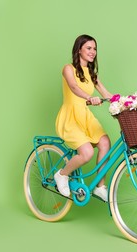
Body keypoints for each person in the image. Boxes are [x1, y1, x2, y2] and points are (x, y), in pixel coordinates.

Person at [54, 34, 113, 202]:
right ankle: (62, 174)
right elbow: (73, 87)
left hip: (85, 116)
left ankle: (100, 187)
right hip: (71, 117)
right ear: (79, 49)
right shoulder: (68, 68)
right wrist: (89, 98)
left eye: (94, 49)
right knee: (86, 153)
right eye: (88, 48)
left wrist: (126, 101)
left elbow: (106, 94)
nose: (92, 52)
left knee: (105, 143)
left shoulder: (92, 74)